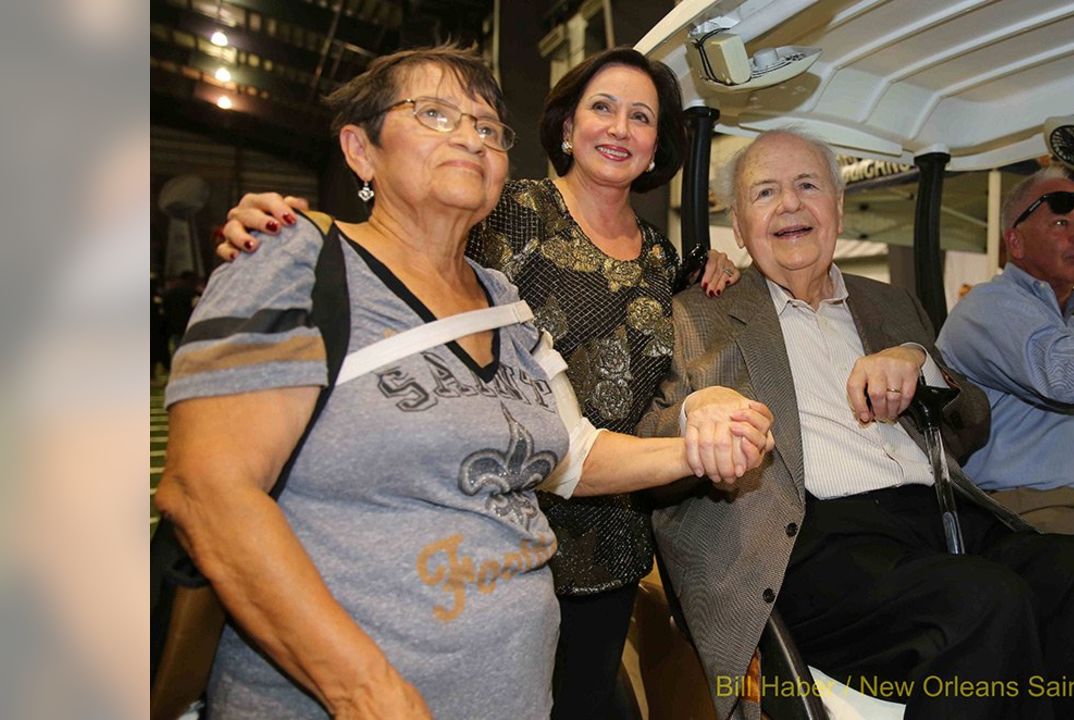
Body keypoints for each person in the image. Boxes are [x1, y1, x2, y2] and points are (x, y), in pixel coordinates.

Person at [155, 46, 772, 719]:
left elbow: (573, 452)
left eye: (485, 128)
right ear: (362, 152)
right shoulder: (297, 257)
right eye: (434, 114)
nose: (467, 138)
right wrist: (370, 693)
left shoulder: (505, 303)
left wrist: (704, 443)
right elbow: (206, 488)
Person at [637, 130, 1074, 720]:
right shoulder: (700, 313)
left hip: (943, 515)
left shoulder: (891, 303)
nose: (790, 204)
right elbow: (653, 433)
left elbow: (972, 424)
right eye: (765, 192)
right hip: (818, 538)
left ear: (838, 210)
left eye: (808, 185)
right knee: (979, 602)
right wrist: (699, 413)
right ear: (738, 228)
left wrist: (923, 368)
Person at [936, 165, 1074, 556]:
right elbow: (1058, 371)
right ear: (1015, 243)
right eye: (1061, 222)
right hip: (1032, 514)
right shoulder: (988, 307)